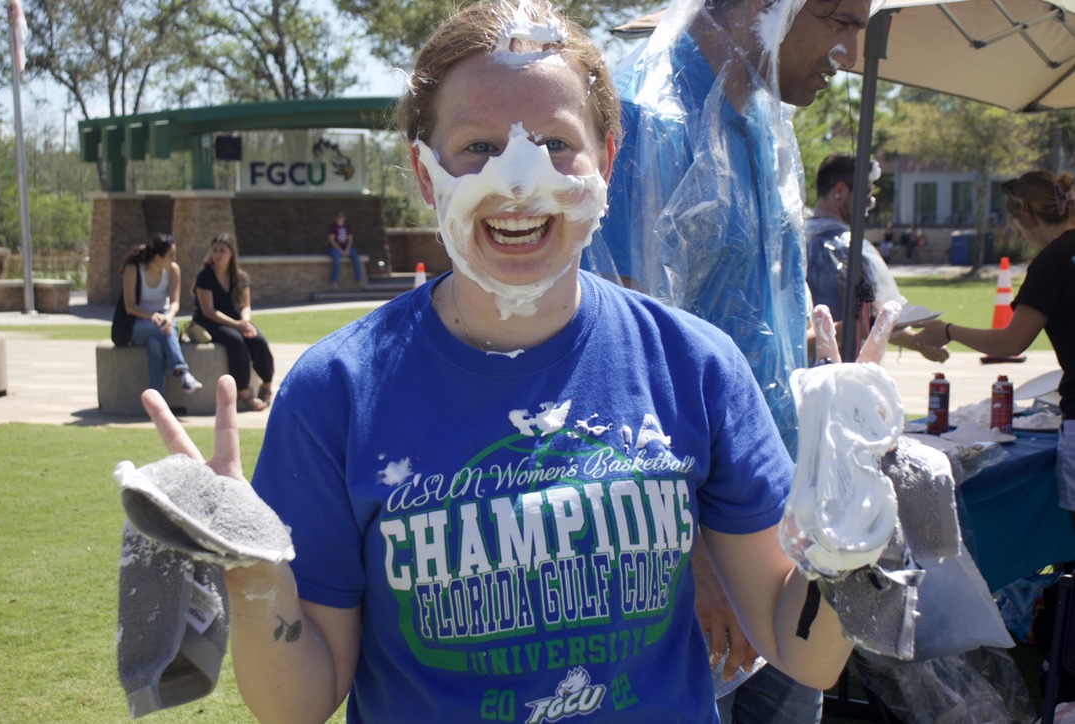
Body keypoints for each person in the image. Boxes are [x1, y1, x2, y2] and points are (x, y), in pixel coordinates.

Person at [137, 2, 896, 720]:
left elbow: (806, 652)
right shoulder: (338, 393)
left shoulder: (693, 367)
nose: (519, 180)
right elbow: (296, 704)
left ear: (606, 155)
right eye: (479, 147)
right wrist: (255, 577)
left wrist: (849, 539)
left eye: (555, 143)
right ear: (427, 171)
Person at [583, 0, 872, 720]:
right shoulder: (647, 125)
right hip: (691, 546)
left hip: (780, 519)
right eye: (838, 18)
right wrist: (687, 549)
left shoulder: (763, 128)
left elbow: (756, 331)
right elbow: (611, 355)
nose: (851, 50)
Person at [918, 170, 1075, 531]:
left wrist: (947, 330)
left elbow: (1011, 342)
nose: (1020, 235)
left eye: (1017, 225)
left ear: (1028, 217)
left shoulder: (1052, 261)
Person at [805, 153, 948, 363]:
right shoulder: (850, 249)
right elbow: (873, 320)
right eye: (866, 194)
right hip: (840, 378)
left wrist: (919, 344)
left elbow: (869, 323)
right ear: (840, 192)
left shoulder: (792, 241)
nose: (869, 205)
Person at [191, 233, 275, 412]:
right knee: (236, 341)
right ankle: (244, 393)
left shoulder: (240, 277)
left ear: (232, 253)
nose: (218, 254)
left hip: (235, 318)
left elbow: (246, 306)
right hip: (209, 320)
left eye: (222, 251)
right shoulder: (205, 276)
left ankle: (266, 385)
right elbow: (208, 311)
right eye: (215, 251)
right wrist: (237, 326)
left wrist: (245, 322)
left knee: (258, 340)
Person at [118, 233, 202, 395]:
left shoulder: (173, 270)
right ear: (157, 258)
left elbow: (175, 303)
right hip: (138, 323)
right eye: (170, 255)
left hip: (164, 318)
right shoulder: (133, 270)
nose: (174, 259)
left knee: (154, 344)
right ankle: (182, 372)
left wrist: (169, 317)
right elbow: (130, 306)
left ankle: (156, 398)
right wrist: (151, 316)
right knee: (161, 329)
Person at [326, 210, 365, 288]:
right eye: (339, 217)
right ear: (336, 218)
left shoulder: (347, 227)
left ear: (344, 218)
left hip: (346, 248)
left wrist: (347, 249)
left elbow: (350, 240)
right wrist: (340, 250)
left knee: (355, 256)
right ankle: (334, 281)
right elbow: (331, 240)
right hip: (334, 249)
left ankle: (359, 280)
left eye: (342, 217)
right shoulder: (333, 227)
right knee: (337, 258)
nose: (340, 218)